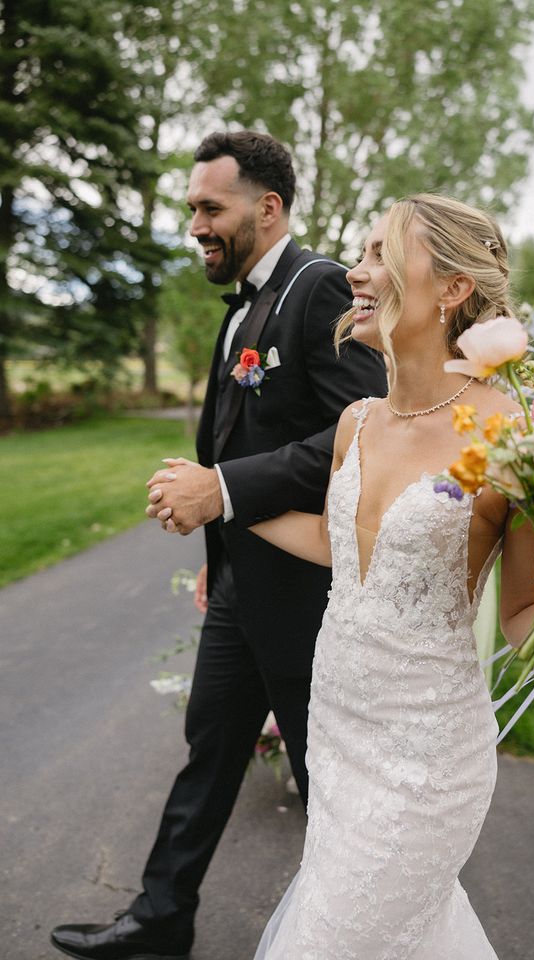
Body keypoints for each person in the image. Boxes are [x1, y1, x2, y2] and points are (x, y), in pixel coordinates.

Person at [244, 195, 534, 958]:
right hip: (335, 726)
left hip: (427, 758)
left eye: (382, 253)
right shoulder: (357, 420)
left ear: (454, 287)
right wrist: (224, 504)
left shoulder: (512, 434)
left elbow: (522, 609)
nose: (357, 271)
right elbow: (344, 548)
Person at [50, 131, 387, 960]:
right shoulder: (242, 301)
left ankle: (358, 939)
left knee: (325, 787)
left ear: (266, 208)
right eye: (191, 207)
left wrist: (224, 493)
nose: (196, 223)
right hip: (242, 589)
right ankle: (160, 921)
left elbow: (361, 437)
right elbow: (232, 435)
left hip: (310, 599)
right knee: (210, 747)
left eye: (210, 207)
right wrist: (219, 558)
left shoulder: (318, 290)